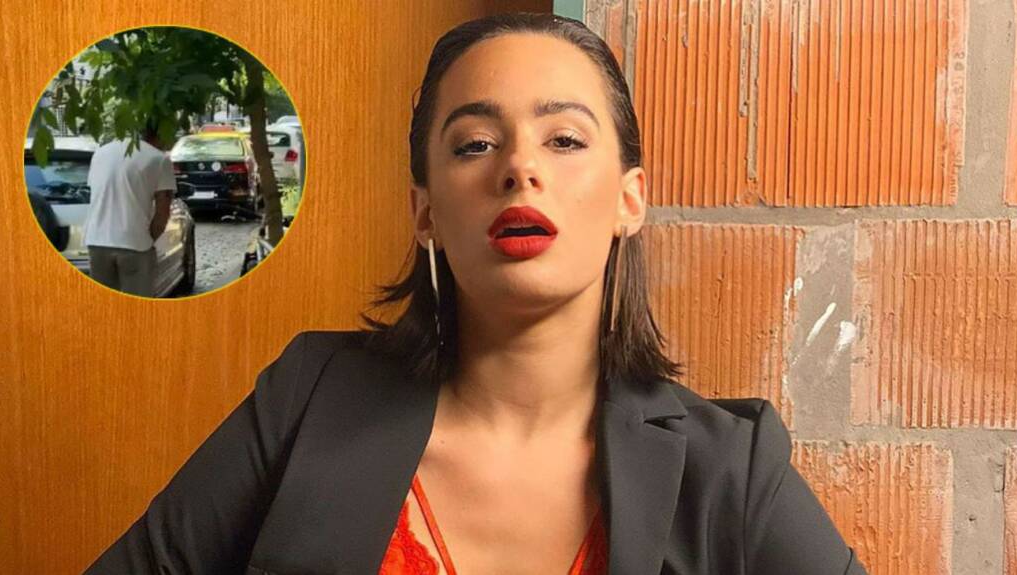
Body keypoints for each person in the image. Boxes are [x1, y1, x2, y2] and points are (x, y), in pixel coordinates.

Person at [85, 13, 867, 575]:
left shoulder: (731, 467)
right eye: (476, 144)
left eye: (564, 139)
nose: (520, 167)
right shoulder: (309, 398)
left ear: (629, 199)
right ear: (425, 210)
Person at [83, 118, 175, 297]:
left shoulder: (101, 153)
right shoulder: (159, 159)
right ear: (161, 133)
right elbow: (163, 212)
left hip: (96, 241)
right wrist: (148, 239)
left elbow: (97, 194)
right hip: (134, 243)